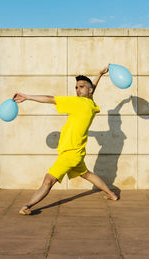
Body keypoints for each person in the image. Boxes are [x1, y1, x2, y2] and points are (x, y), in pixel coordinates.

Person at [13, 64, 118, 215]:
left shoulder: (78, 103)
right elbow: (92, 88)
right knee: (86, 174)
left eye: (81, 87)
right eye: (76, 87)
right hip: (78, 152)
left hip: (69, 154)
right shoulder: (91, 104)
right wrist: (100, 74)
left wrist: (27, 97)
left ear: (88, 91)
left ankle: (27, 205)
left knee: (48, 181)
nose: (77, 89)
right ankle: (111, 194)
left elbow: (50, 99)